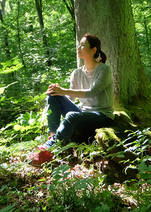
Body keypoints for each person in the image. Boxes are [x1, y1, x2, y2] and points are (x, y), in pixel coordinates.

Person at [30, 33, 114, 165]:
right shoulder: (77, 73)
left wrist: (63, 90)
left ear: (93, 50)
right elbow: (71, 97)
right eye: (78, 45)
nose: (78, 47)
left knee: (71, 115)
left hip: (102, 116)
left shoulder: (104, 69)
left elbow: (92, 92)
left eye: (82, 45)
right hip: (83, 113)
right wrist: (59, 92)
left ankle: (49, 150)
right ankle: (53, 134)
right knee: (53, 94)